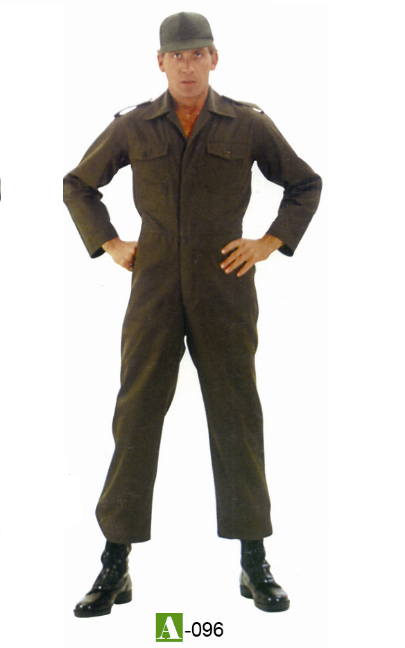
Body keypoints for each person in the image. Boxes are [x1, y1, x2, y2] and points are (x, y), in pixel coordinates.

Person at [63, 12, 322, 618]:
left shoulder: (248, 124)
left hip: (224, 287)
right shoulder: (133, 125)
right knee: (135, 416)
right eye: (176, 55)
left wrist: (269, 242)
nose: (187, 64)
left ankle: (254, 560)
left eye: (197, 53)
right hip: (153, 288)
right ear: (160, 62)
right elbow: (79, 184)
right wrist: (109, 243)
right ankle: (115, 563)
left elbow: (304, 184)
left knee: (237, 416)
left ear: (213, 58)